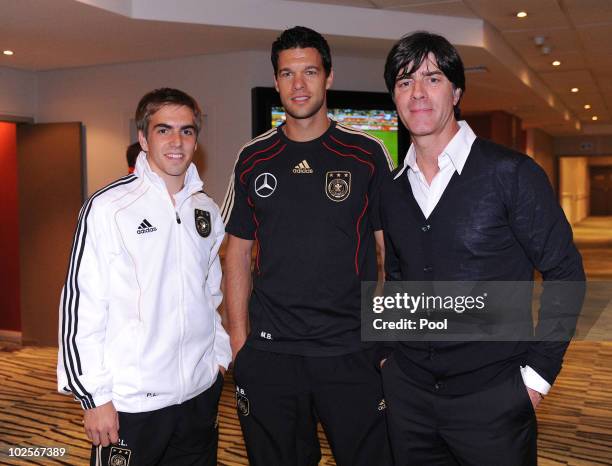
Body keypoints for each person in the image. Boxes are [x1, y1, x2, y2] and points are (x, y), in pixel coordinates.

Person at [379, 32, 585, 465]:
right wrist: (387, 357)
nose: (417, 92)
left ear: (456, 91)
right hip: (410, 400)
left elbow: (565, 273)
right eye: (403, 82)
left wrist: (537, 378)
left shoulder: (511, 174)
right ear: (394, 98)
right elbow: (397, 278)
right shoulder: (392, 190)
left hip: (494, 400)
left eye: (431, 78)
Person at [221, 26, 394, 466]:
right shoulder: (252, 157)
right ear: (276, 81)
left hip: (351, 351)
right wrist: (240, 341)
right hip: (271, 353)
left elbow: (387, 252)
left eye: (310, 72)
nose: (299, 85)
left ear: (329, 77)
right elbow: (236, 252)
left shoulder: (366, 153)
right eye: (287, 73)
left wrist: (387, 338)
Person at [57, 88, 231, 466]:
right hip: (133, 402)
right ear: (142, 138)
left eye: (186, 131)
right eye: (163, 129)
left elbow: (210, 293)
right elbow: (81, 307)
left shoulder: (206, 209)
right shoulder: (107, 209)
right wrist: (93, 397)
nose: (176, 141)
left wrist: (217, 358)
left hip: (199, 395)